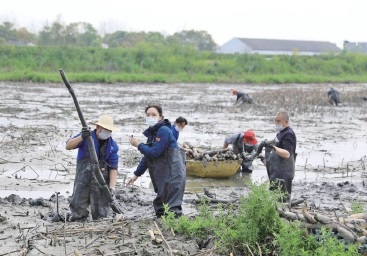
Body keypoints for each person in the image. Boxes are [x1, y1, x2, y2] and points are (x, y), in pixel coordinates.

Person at [127, 105, 186, 218]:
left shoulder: (164, 130)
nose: (150, 117)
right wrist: (136, 174)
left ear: (160, 117)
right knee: (160, 206)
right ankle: (163, 227)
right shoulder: (152, 135)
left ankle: (175, 231)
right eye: (148, 115)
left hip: (173, 173)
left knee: (172, 208)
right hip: (164, 174)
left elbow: (155, 152)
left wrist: (138, 145)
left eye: (154, 115)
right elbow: (148, 157)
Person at [66, 115, 120, 221]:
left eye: (109, 130)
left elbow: (113, 168)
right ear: (98, 127)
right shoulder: (86, 137)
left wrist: (112, 187)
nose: (107, 132)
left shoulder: (113, 146)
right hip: (83, 176)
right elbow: (68, 146)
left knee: (101, 211)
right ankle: (78, 219)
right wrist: (82, 137)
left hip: (101, 179)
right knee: (79, 201)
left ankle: (99, 220)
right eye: (105, 129)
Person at [262, 111, 297, 203]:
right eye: (275, 120)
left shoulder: (288, 134)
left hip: (284, 172)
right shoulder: (280, 133)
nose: (277, 123)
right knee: (275, 197)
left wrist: (273, 147)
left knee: (282, 200)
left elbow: (287, 153)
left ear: (286, 121)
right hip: (277, 171)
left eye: (279, 121)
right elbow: (277, 151)